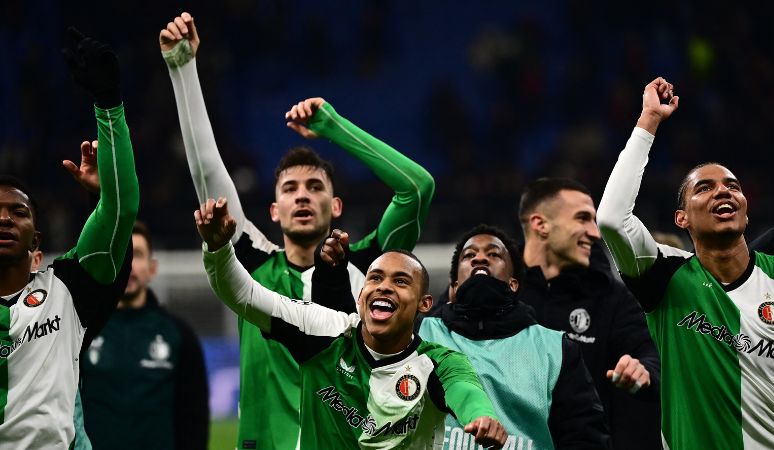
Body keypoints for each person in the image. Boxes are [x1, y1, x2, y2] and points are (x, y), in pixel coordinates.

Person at [159, 12, 435, 450]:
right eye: (290, 188)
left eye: (315, 187)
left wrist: (335, 129)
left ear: (336, 205)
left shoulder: (370, 268)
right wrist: (183, 68)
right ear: (273, 210)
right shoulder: (250, 262)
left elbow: (417, 189)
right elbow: (206, 172)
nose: (302, 196)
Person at [195, 197, 506, 449]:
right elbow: (244, 295)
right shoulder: (324, 330)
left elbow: (465, 391)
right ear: (361, 296)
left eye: (400, 281)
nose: (384, 286)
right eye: (375, 278)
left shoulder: (439, 362)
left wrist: (482, 415)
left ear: (424, 304)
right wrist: (219, 250)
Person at [597, 77, 774, 449]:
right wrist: (648, 121)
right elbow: (611, 218)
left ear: (745, 210)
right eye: (703, 188)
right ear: (681, 219)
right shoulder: (666, 277)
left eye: (733, 186)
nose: (723, 190)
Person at [0, 29, 138, 448]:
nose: (4, 219)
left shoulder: (66, 290)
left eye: (17, 212)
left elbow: (121, 210)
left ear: (36, 239)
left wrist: (109, 105)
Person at [417, 224, 610, 449]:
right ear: (455, 286)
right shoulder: (418, 335)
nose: (480, 258)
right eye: (469, 255)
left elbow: (584, 438)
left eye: (493, 254)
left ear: (513, 283)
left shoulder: (556, 349)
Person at [516, 177, 661, 449]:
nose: (595, 233)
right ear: (540, 225)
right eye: (582, 218)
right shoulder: (501, 289)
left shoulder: (610, 297)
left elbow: (650, 355)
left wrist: (644, 371)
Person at [80, 221, 209, 450]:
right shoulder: (82, 330)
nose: (128, 263)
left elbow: (194, 417)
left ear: (152, 268)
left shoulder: (178, 334)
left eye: (137, 255)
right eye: (121, 253)